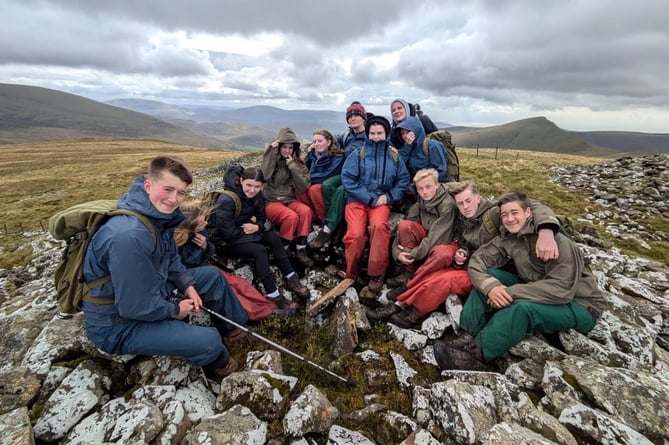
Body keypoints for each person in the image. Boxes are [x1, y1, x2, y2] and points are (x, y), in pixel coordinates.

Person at [82, 155, 247, 378]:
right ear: (148, 185)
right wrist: (175, 310)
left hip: (152, 290)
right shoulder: (129, 237)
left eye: (180, 193)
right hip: (118, 324)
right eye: (168, 189)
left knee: (211, 276)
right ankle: (221, 364)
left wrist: (187, 285)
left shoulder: (156, 217)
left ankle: (234, 327)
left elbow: (169, 258)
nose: (173, 199)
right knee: (208, 340)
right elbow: (134, 306)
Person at [433, 191, 607, 370]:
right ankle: (467, 335)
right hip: (536, 287)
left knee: (521, 309)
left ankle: (475, 356)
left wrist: (508, 292)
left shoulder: (557, 242)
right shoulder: (508, 238)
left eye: (515, 213)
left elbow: (561, 289)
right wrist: (491, 287)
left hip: (581, 304)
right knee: (490, 278)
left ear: (528, 213)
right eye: (504, 215)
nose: (509, 219)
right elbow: (477, 262)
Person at [366, 169, 468, 328]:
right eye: (420, 188)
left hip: (446, 242)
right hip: (432, 242)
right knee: (406, 226)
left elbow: (437, 237)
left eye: (428, 187)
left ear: (437, 184)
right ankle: (407, 272)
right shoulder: (421, 202)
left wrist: (412, 254)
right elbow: (403, 226)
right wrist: (397, 253)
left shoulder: (448, 204)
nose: (424, 191)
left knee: (440, 256)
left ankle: (405, 295)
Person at [175, 199, 295, 320]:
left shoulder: (200, 233)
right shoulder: (177, 242)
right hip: (189, 274)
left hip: (204, 266)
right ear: (190, 226)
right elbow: (179, 265)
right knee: (230, 291)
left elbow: (209, 252)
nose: (206, 223)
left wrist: (206, 247)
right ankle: (266, 314)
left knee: (238, 283)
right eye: (201, 223)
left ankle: (270, 306)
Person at [211, 165, 310, 308]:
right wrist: (255, 233)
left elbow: (261, 216)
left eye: (257, 186)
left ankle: (290, 277)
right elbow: (227, 233)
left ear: (262, 185)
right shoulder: (227, 200)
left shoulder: (257, 196)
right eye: (249, 185)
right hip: (226, 242)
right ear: (241, 180)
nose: (252, 190)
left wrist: (257, 227)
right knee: (259, 251)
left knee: (274, 238)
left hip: (246, 232)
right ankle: (273, 295)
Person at [341, 115, 410, 292]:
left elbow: (403, 180)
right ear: (367, 133)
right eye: (372, 133)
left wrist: (389, 197)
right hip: (357, 200)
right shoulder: (359, 154)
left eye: (380, 133)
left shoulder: (394, 157)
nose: (376, 137)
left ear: (386, 134)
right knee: (355, 235)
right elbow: (348, 179)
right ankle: (351, 274)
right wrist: (370, 198)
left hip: (382, 201)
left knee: (380, 227)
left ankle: (377, 273)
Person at [261, 127, 314, 267]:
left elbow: (303, 187)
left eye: (290, 148)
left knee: (305, 211)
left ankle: (300, 249)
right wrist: (271, 152)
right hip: (271, 201)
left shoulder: (299, 164)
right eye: (284, 147)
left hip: (289, 199)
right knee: (290, 217)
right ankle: (282, 250)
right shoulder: (272, 161)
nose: (287, 151)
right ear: (279, 147)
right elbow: (264, 176)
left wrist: (292, 165)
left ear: (294, 149)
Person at [299, 129, 344, 250]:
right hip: (315, 182)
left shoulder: (337, 156)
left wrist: (306, 179)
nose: (317, 144)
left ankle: (326, 221)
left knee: (315, 189)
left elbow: (328, 175)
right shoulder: (312, 155)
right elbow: (304, 168)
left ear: (329, 142)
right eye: (314, 141)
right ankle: (315, 218)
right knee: (300, 190)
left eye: (320, 141)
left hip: (329, 187)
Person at [396, 116, 448, 185]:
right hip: (416, 188)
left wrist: (421, 185)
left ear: (416, 130)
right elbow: (398, 166)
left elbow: (441, 172)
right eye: (403, 133)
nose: (405, 135)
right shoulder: (407, 148)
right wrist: (407, 146)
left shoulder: (433, 145)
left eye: (408, 131)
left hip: (435, 187)